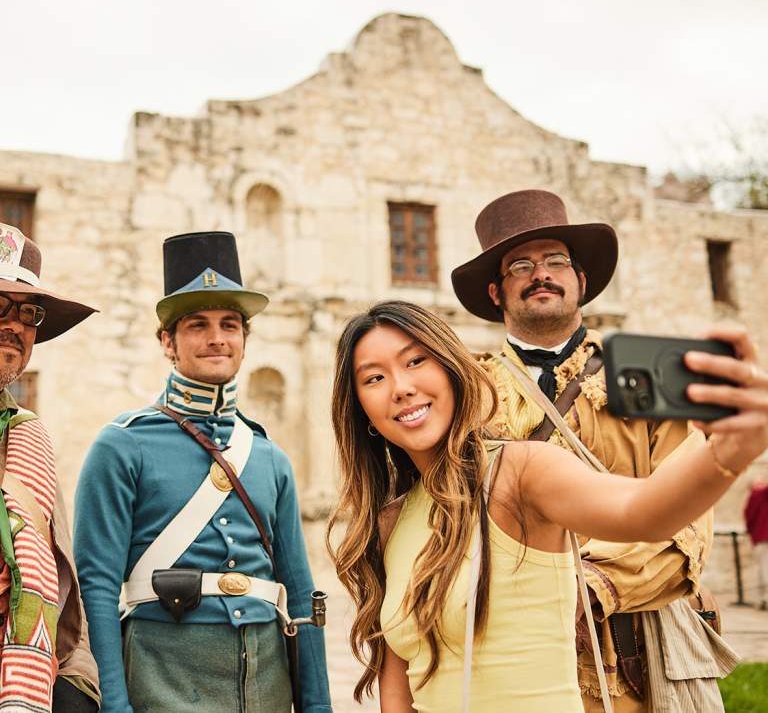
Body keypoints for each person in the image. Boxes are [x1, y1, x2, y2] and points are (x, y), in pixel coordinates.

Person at [326, 299, 767, 713]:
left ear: (451, 370)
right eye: (374, 378)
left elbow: (642, 511)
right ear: (363, 410)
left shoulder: (520, 473)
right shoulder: (390, 520)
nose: (400, 387)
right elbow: (398, 677)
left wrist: (722, 452)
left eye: (415, 361)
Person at [450, 188, 750, 711]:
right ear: (497, 292)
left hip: (636, 652)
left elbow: (687, 522)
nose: (540, 274)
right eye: (520, 265)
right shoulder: (466, 392)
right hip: (509, 642)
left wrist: (592, 585)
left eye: (555, 261)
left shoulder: (648, 374)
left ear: (581, 281)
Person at [74, 231, 332, 713]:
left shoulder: (269, 456)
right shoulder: (122, 444)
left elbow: (299, 592)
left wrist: (317, 706)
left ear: (244, 339)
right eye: (197, 324)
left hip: (267, 683)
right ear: (167, 341)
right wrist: (114, 703)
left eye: (229, 324)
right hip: (162, 677)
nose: (217, 338)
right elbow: (97, 587)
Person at [0, 222, 100, 711]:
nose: (14, 324)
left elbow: (60, 590)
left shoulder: (27, 436)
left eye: (28, 312)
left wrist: (75, 690)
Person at [745, 477, 768, 610]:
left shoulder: (752, 499)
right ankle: (764, 599)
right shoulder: (760, 494)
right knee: (765, 569)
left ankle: (762, 599)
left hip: (759, 539)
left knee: (762, 568)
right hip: (764, 538)